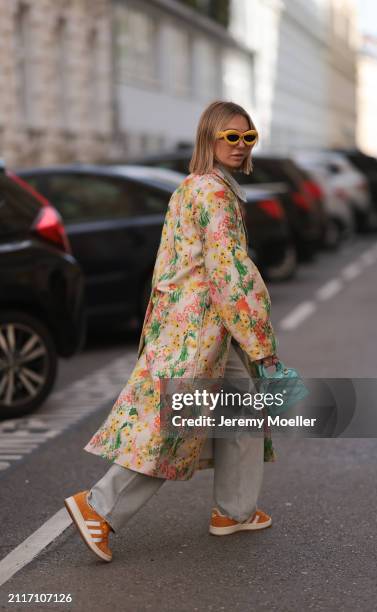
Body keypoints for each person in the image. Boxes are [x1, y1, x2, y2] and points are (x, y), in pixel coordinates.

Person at [64, 100, 280, 563]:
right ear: (210, 139)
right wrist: (261, 342)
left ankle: (234, 511)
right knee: (172, 431)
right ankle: (96, 507)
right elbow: (231, 273)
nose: (240, 146)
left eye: (248, 137)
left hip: (196, 327)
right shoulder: (214, 194)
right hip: (201, 332)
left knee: (243, 413)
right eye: (231, 137)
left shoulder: (193, 187)